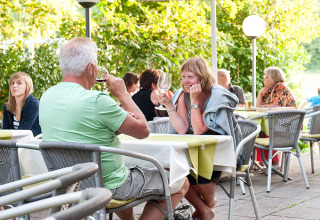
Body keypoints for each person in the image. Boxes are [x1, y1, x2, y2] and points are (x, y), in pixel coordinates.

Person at [39, 37, 189, 220]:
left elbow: (82, 129)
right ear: (91, 68)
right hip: (109, 186)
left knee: (126, 171)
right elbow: (143, 131)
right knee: (180, 182)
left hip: (69, 187)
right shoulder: (96, 100)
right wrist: (123, 94)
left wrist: (115, 127)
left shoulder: (47, 96)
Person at [159, 57, 242, 220]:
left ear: (202, 77)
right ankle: (205, 210)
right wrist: (169, 106)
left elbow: (198, 131)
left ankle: (206, 207)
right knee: (174, 170)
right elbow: (182, 129)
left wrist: (195, 101)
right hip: (197, 149)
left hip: (222, 151)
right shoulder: (183, 95)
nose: (185, 81)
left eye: (190, 77)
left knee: (197, 169)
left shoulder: (216, 96)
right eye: (183, 77)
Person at [256, 66, 297, 169]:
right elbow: (258, 107)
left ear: (272, 78)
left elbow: (277, 106)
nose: (264, 79)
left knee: (264, 128)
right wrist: (260, 93)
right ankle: (266, 162)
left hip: (288, 125)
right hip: (280, 123)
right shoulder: (270, 89)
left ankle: (272, 162)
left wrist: (264, 106)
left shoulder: (280, 87)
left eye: (266, 77)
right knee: (261, 128)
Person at [2, 72, 42, 136]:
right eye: (12, 83)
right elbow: (5, 131)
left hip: (33, 143)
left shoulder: (33, 104)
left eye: (19, 83)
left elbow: (23, 131)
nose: (14, 86)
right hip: (15, 143)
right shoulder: (7, 107)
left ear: (27, 86)